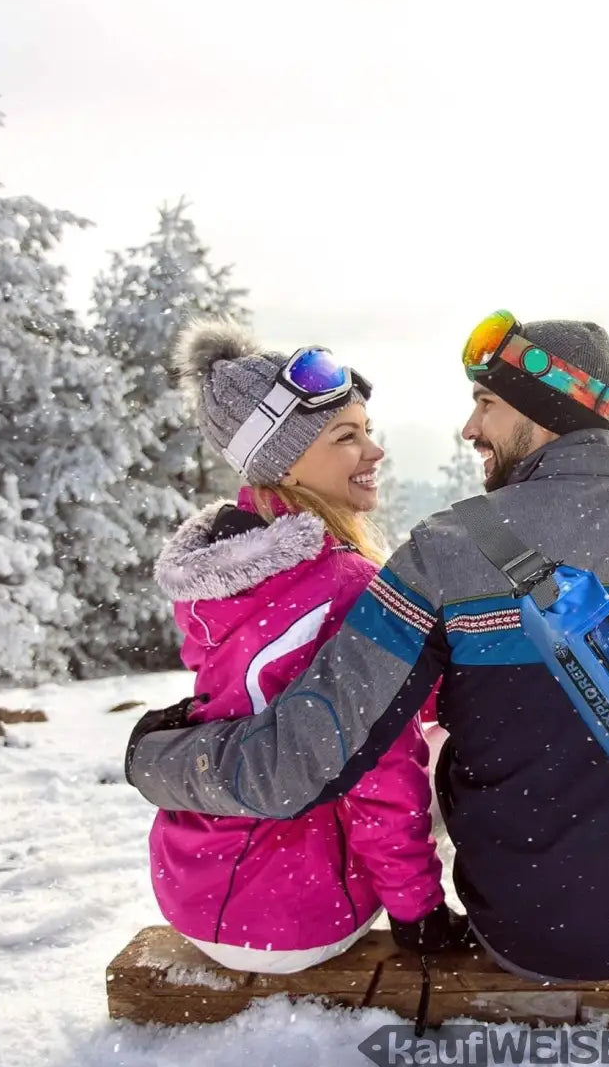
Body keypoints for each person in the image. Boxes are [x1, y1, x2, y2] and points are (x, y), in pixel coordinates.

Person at [127, 310, 609, 981]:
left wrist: (156, 758)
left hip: (521, 930)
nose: (470, 428)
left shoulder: (443, 554)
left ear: (543, 413)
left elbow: (302, 759)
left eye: (487, 404)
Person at [143, 318, 466, 974]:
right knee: (447, 745)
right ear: (282, 462)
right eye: (347, 437)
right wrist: (418, 912)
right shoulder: (344, 583)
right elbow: (379, 769)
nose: (374, 451)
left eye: (367, 431)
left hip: (198, 891)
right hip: (294, 916)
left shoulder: (228, 567)